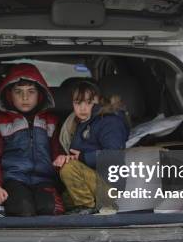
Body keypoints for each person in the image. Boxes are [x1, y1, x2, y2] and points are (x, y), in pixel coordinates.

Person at [0, 64, 64, 217]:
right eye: (18, 92)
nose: (25, 97)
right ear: (9, 94)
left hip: (45, 180)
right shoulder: (1, 123)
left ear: (40, 94)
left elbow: (58, 152)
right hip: (14, 179)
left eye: (31, 92)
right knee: (23, 210)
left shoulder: (51, 122)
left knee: (49, 209)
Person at [54, 81, 129, 215]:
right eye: (78, 103)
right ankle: (96, 205)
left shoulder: (109, 121)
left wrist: (81, 157)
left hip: (108, 184)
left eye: (88, 102)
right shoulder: (81, 123)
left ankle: (87, 206)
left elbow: (113, 155)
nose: (82, 108)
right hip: (92, 180)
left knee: (69, 168)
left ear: (99, 101)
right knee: (62, 201)